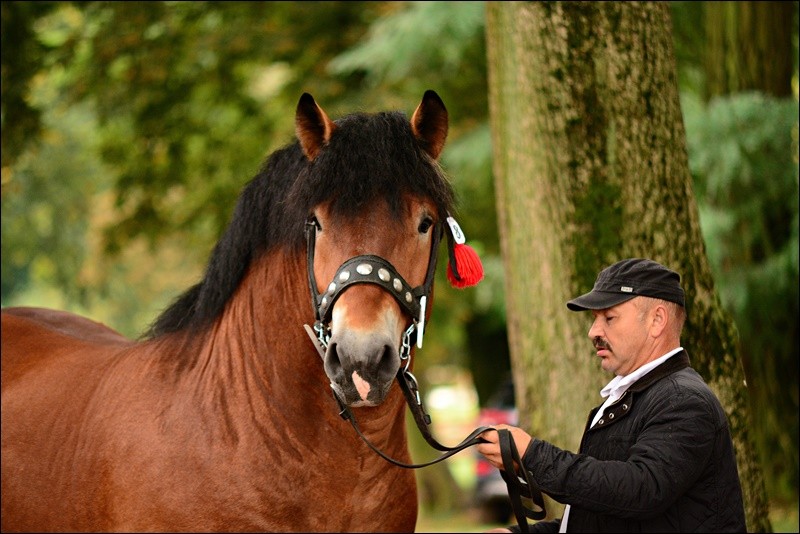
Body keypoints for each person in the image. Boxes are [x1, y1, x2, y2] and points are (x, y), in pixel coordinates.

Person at [477, 258, 747, 533]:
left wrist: (533, 454)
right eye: (595, 319)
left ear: (657, 320)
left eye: (609, 317)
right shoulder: (635, 397)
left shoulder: (684, 401)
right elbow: (602, 517)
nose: (593, 332)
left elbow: (639, 491)